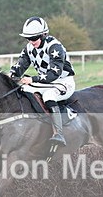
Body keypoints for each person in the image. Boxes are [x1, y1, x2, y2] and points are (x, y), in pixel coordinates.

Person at [7, 16, 76, 146]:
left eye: (34, 38)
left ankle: (59, 133)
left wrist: (32, 79)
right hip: (44, 83)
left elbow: (53, 74)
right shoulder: (29, 48)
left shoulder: (55, 47)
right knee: (23, 90)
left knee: (48, 95)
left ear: (44, 35)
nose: (31, 42)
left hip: (63, 82)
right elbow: (20, 66)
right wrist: (10, 75)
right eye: (28, 38)